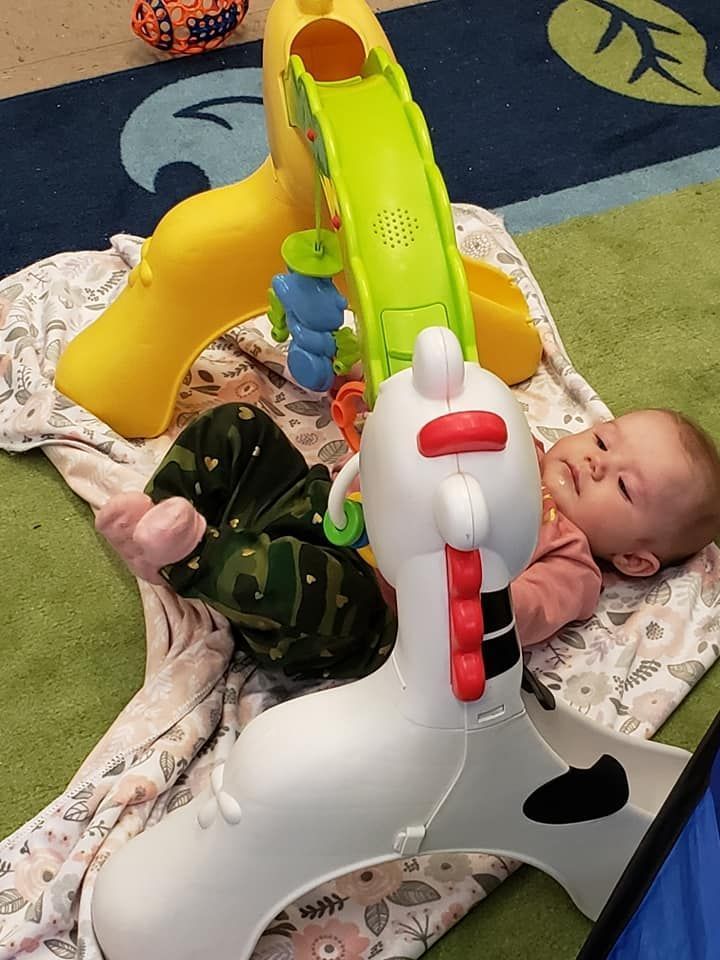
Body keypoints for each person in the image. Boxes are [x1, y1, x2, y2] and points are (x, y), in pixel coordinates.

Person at [96, 404, 720, 678]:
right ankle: (154, 516)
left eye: (625, 488)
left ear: (635, 559)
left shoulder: (570, 561)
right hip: (325, 503)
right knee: (240, 426)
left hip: (365, 598)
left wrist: (476, 582)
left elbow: (522, 611)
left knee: (295, 579)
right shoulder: (514, 441)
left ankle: (191, 556)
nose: (595, 462)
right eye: (603, 440)